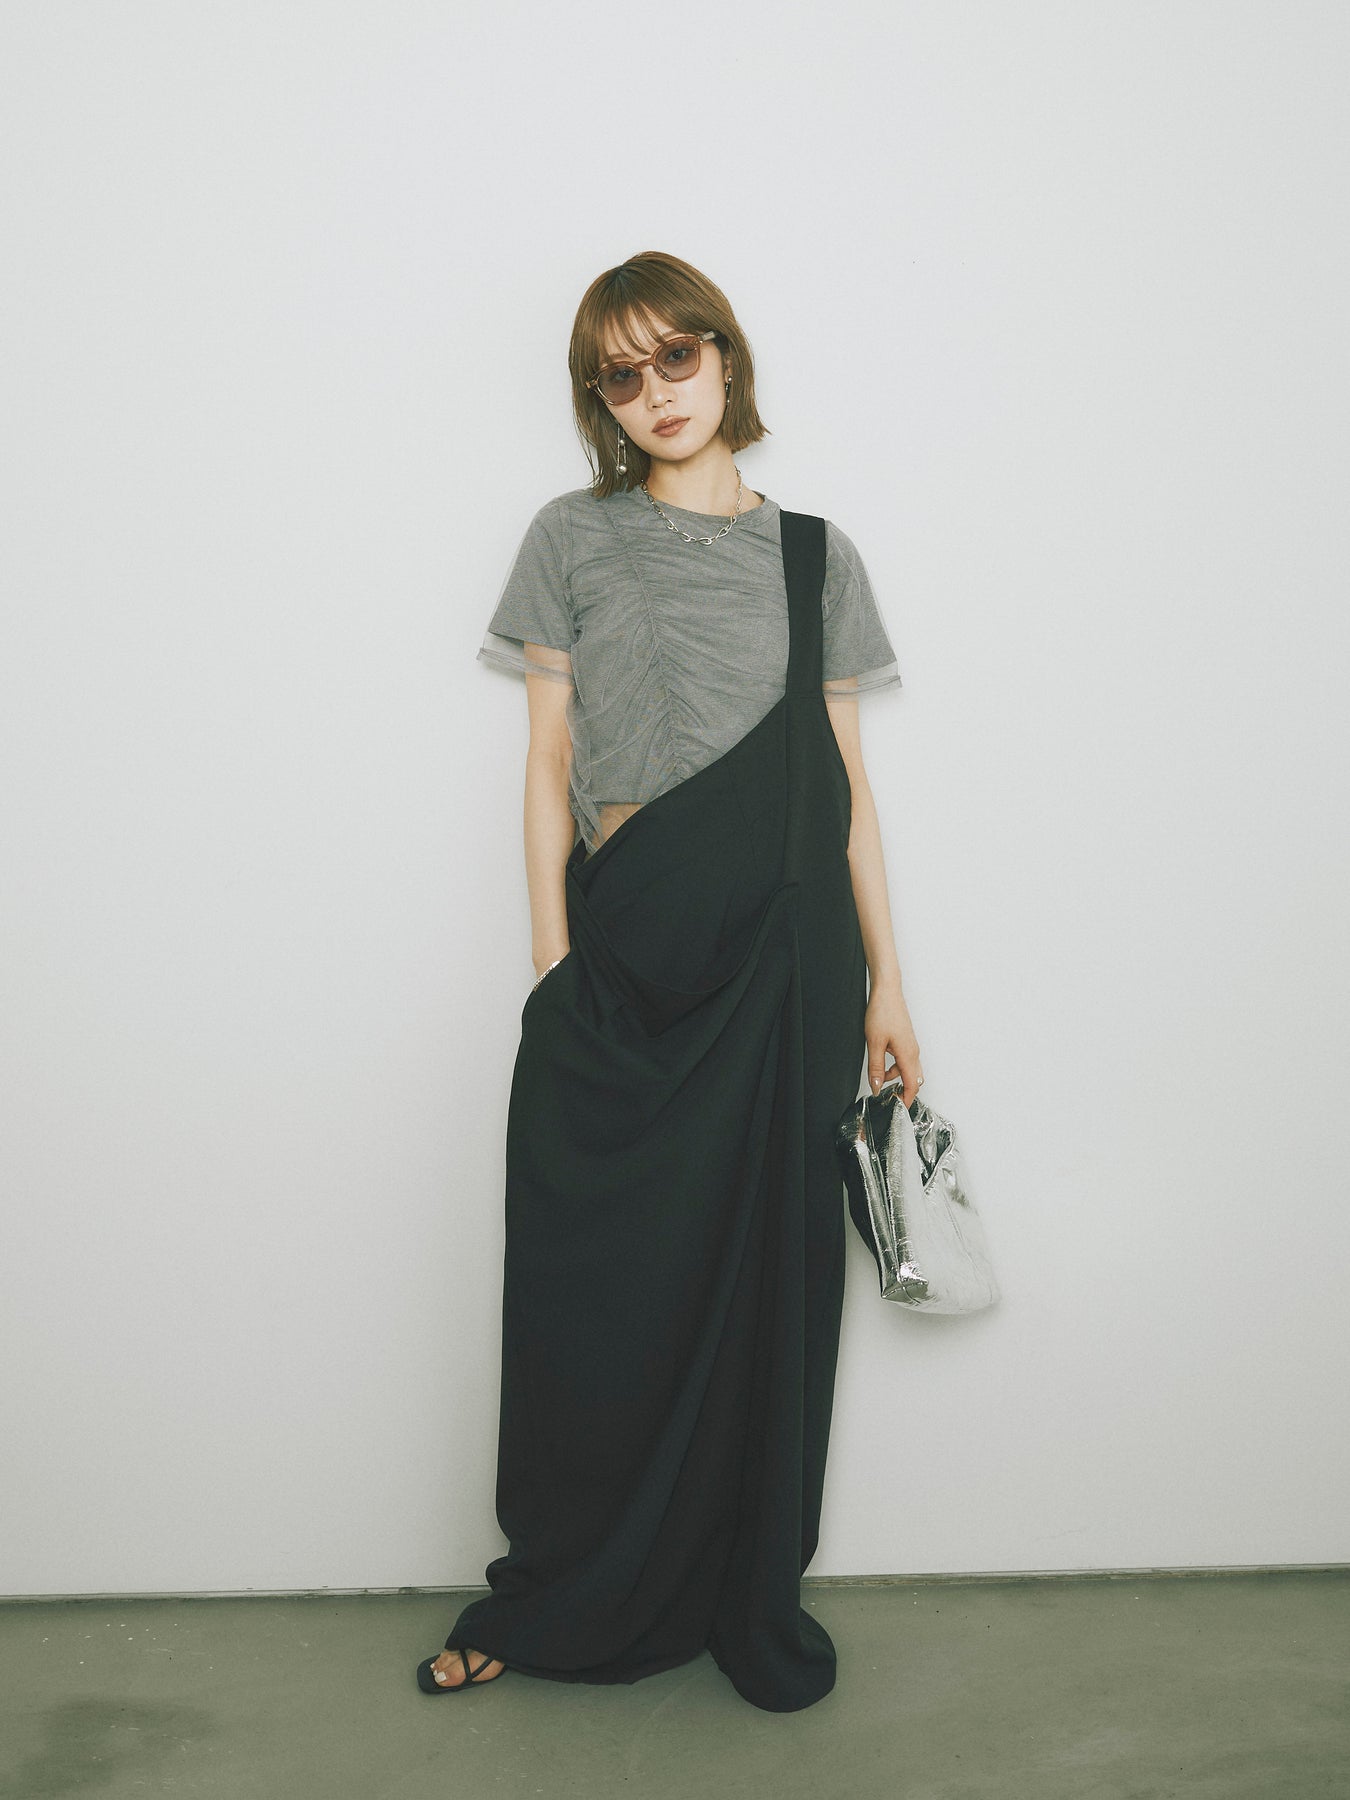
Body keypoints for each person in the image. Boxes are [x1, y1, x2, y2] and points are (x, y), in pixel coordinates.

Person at [417, 251, 922, 1713]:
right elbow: (548, 759)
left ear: (725, 357)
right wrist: (554, 959)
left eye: (676, 358)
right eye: (620, 375)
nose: (655, 394)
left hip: (788, 961)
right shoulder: (570, 536)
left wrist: (889, 986)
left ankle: (734, 1587)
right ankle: (557, 1591)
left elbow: (842, 785)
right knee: (592, 1288)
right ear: (601, 401)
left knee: (769, 1278)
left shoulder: (816, 557)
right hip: (629, 953)